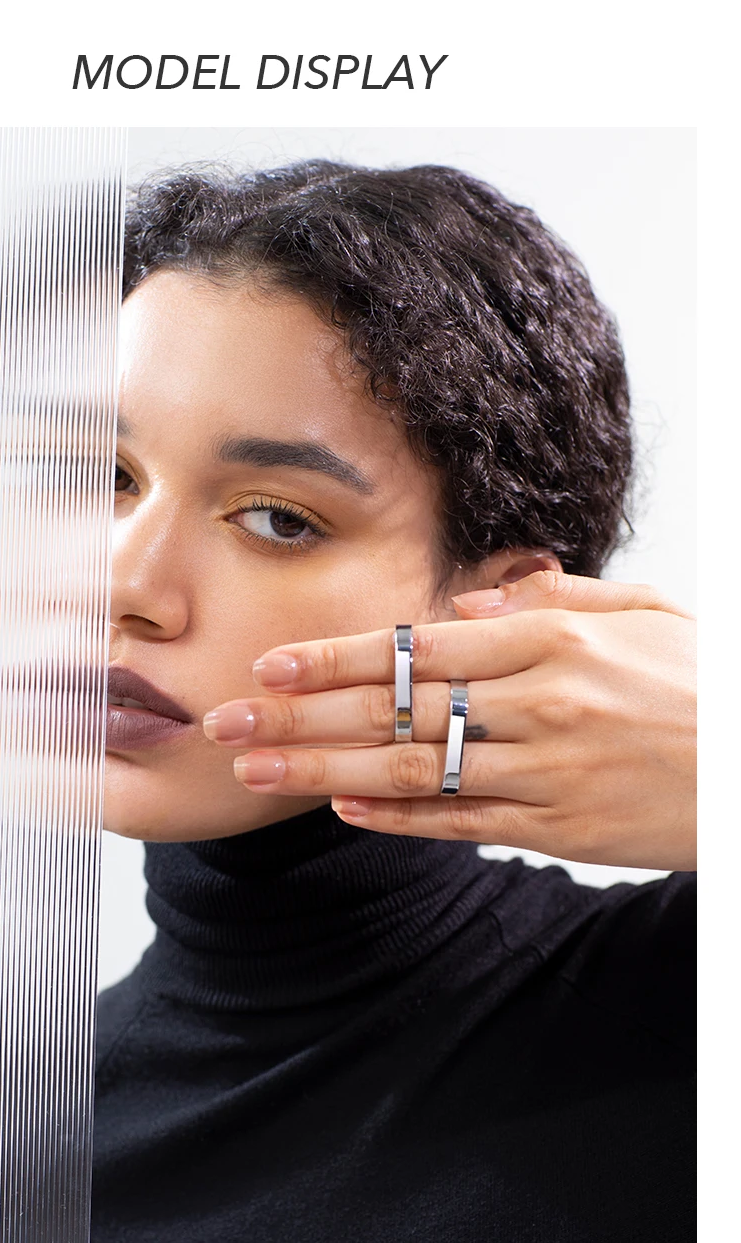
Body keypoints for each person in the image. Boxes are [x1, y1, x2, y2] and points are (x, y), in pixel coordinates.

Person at [92, 161, 695, 1242]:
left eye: (277, 518)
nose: (121, 584)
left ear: (499, 608)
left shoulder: (680, 1019)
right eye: (106, 480)